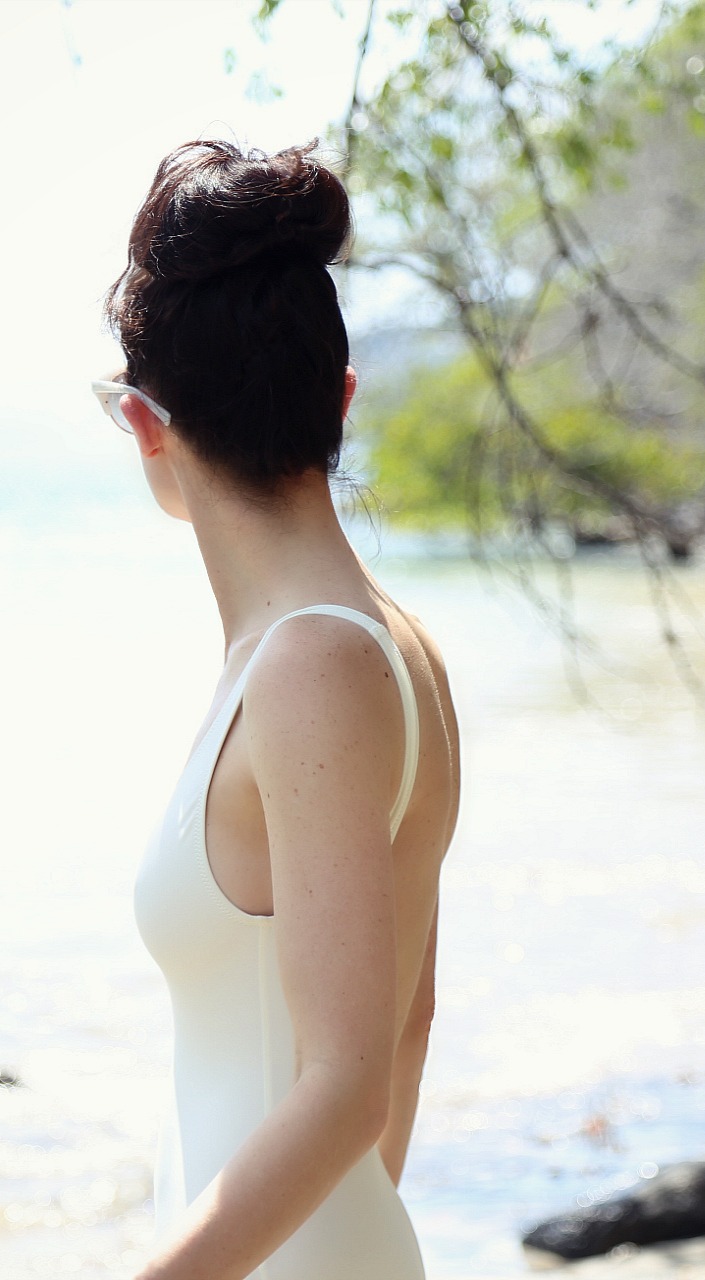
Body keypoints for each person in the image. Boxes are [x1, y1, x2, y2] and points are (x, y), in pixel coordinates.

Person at [100, 138, 461, 1280]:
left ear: (145, 423)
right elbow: (406, 1024)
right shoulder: (394, 649)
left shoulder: (309, 664)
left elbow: (348, 1076)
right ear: (338, 398)